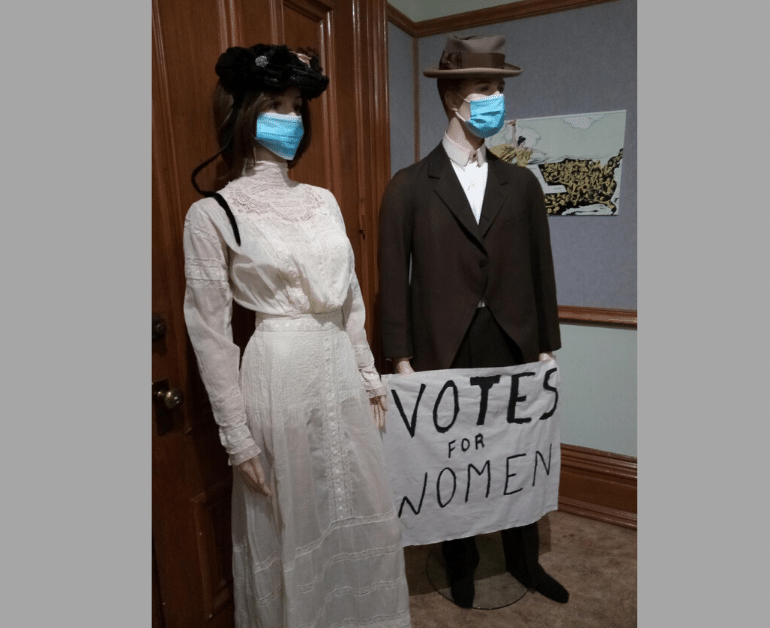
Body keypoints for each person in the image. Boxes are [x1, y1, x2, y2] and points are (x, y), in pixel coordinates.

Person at [182, 44, 411, 628]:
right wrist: (237, 438)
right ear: (241, 113)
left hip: (338, 367)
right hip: (276, 377)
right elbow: (210, 334)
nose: (290, 116)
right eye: (275, 105)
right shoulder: (213, 213)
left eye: (295, 105)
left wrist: (368, 376)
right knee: (292, 523)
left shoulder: (323, 200)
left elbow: (351, 298)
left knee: (356, 508)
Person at [377, 34, 569, 609]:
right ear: (453, 98)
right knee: (453, 459)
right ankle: (458, 563)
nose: (496, 100)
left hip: (513, 341)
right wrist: (401, 358)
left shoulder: (523, 185)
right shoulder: (409, 186)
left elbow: (542, 269)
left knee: (514, 457)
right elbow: (394, 277)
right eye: (485, 89)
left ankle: (524, 561)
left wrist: (546, 347)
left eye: (500, 89)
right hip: (443, 345)